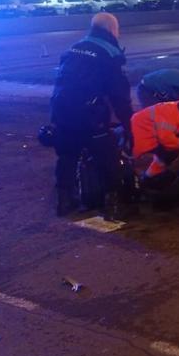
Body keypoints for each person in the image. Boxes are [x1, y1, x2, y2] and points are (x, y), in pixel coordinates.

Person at [50, 13, 133, 220]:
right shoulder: (109, 53)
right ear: (112, 29)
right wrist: (128, 123)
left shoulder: (73, 49)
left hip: (62, 112)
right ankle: (113, 202)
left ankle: (64, 201)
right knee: (108, 156)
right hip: (89, 115)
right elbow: (119, 95)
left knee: (67, 156)